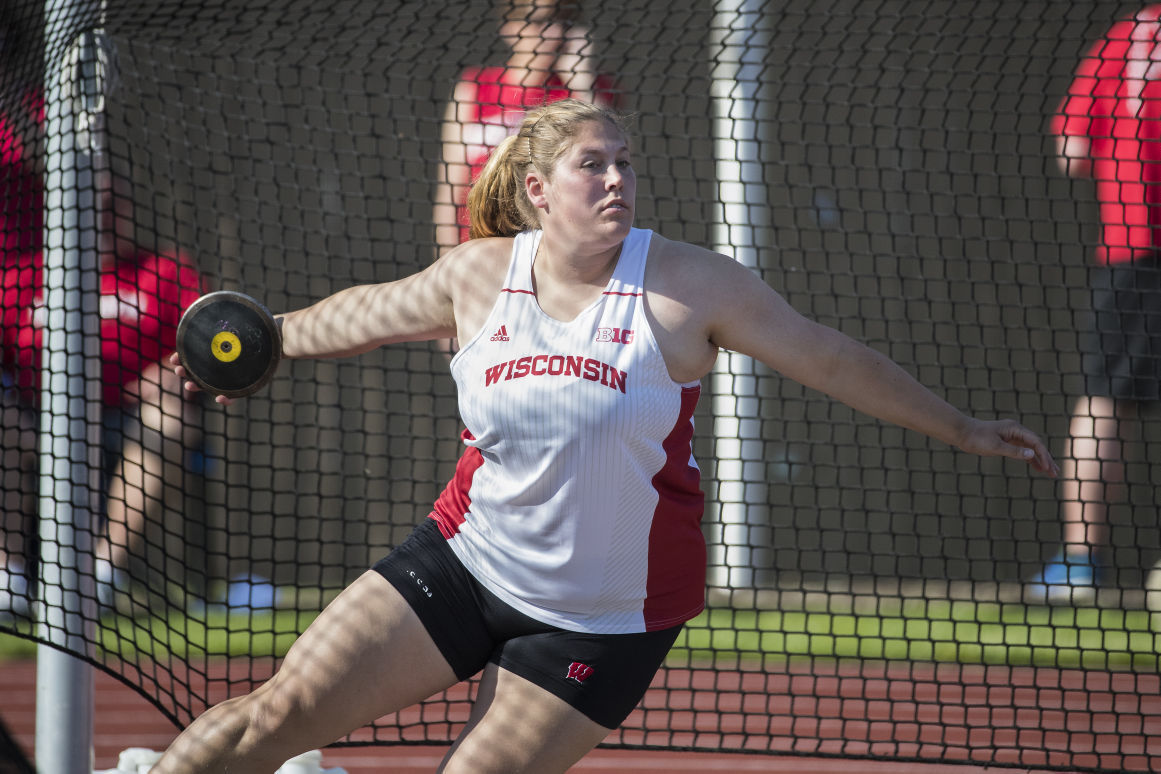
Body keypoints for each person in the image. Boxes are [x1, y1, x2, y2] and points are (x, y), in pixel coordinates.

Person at [152, 99, 1059, 774]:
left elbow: (830, 357)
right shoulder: (475, 277)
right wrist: (254, 345)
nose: (617, 178)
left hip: (603, 616)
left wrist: (959, 426)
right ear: (538, 189)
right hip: (467, 566)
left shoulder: (687, 287)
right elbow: (357, 314)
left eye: (625, 161)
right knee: (267, 720)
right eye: (594, 165)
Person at [0, 79, 206, 618]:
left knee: (168, 412)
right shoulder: (23, 276)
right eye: (91, 205)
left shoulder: (163, 270)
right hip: (34, 417)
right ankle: (9, 575)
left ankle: (98, 575)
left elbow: (200, 348)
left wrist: (167, 373)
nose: (104, 215)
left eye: (114, 204)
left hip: (127, 416)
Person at [1027, 5, 1161, 604]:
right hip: (1132, 252)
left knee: (1105, 403)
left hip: (1132, 248)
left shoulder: (1125, 36)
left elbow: (1072, 150)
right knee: (1104, 403)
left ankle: (1079, 565)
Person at [433, 0, 619, 254]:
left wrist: (582, 81)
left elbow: (614, 157)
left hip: (552, 253)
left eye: (564, 21)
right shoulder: (475, 87)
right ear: (510, 26)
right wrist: (446, 258)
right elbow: (450, 186)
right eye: (540, 21)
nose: (555, 32)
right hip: (479, 249)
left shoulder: (584, 92)